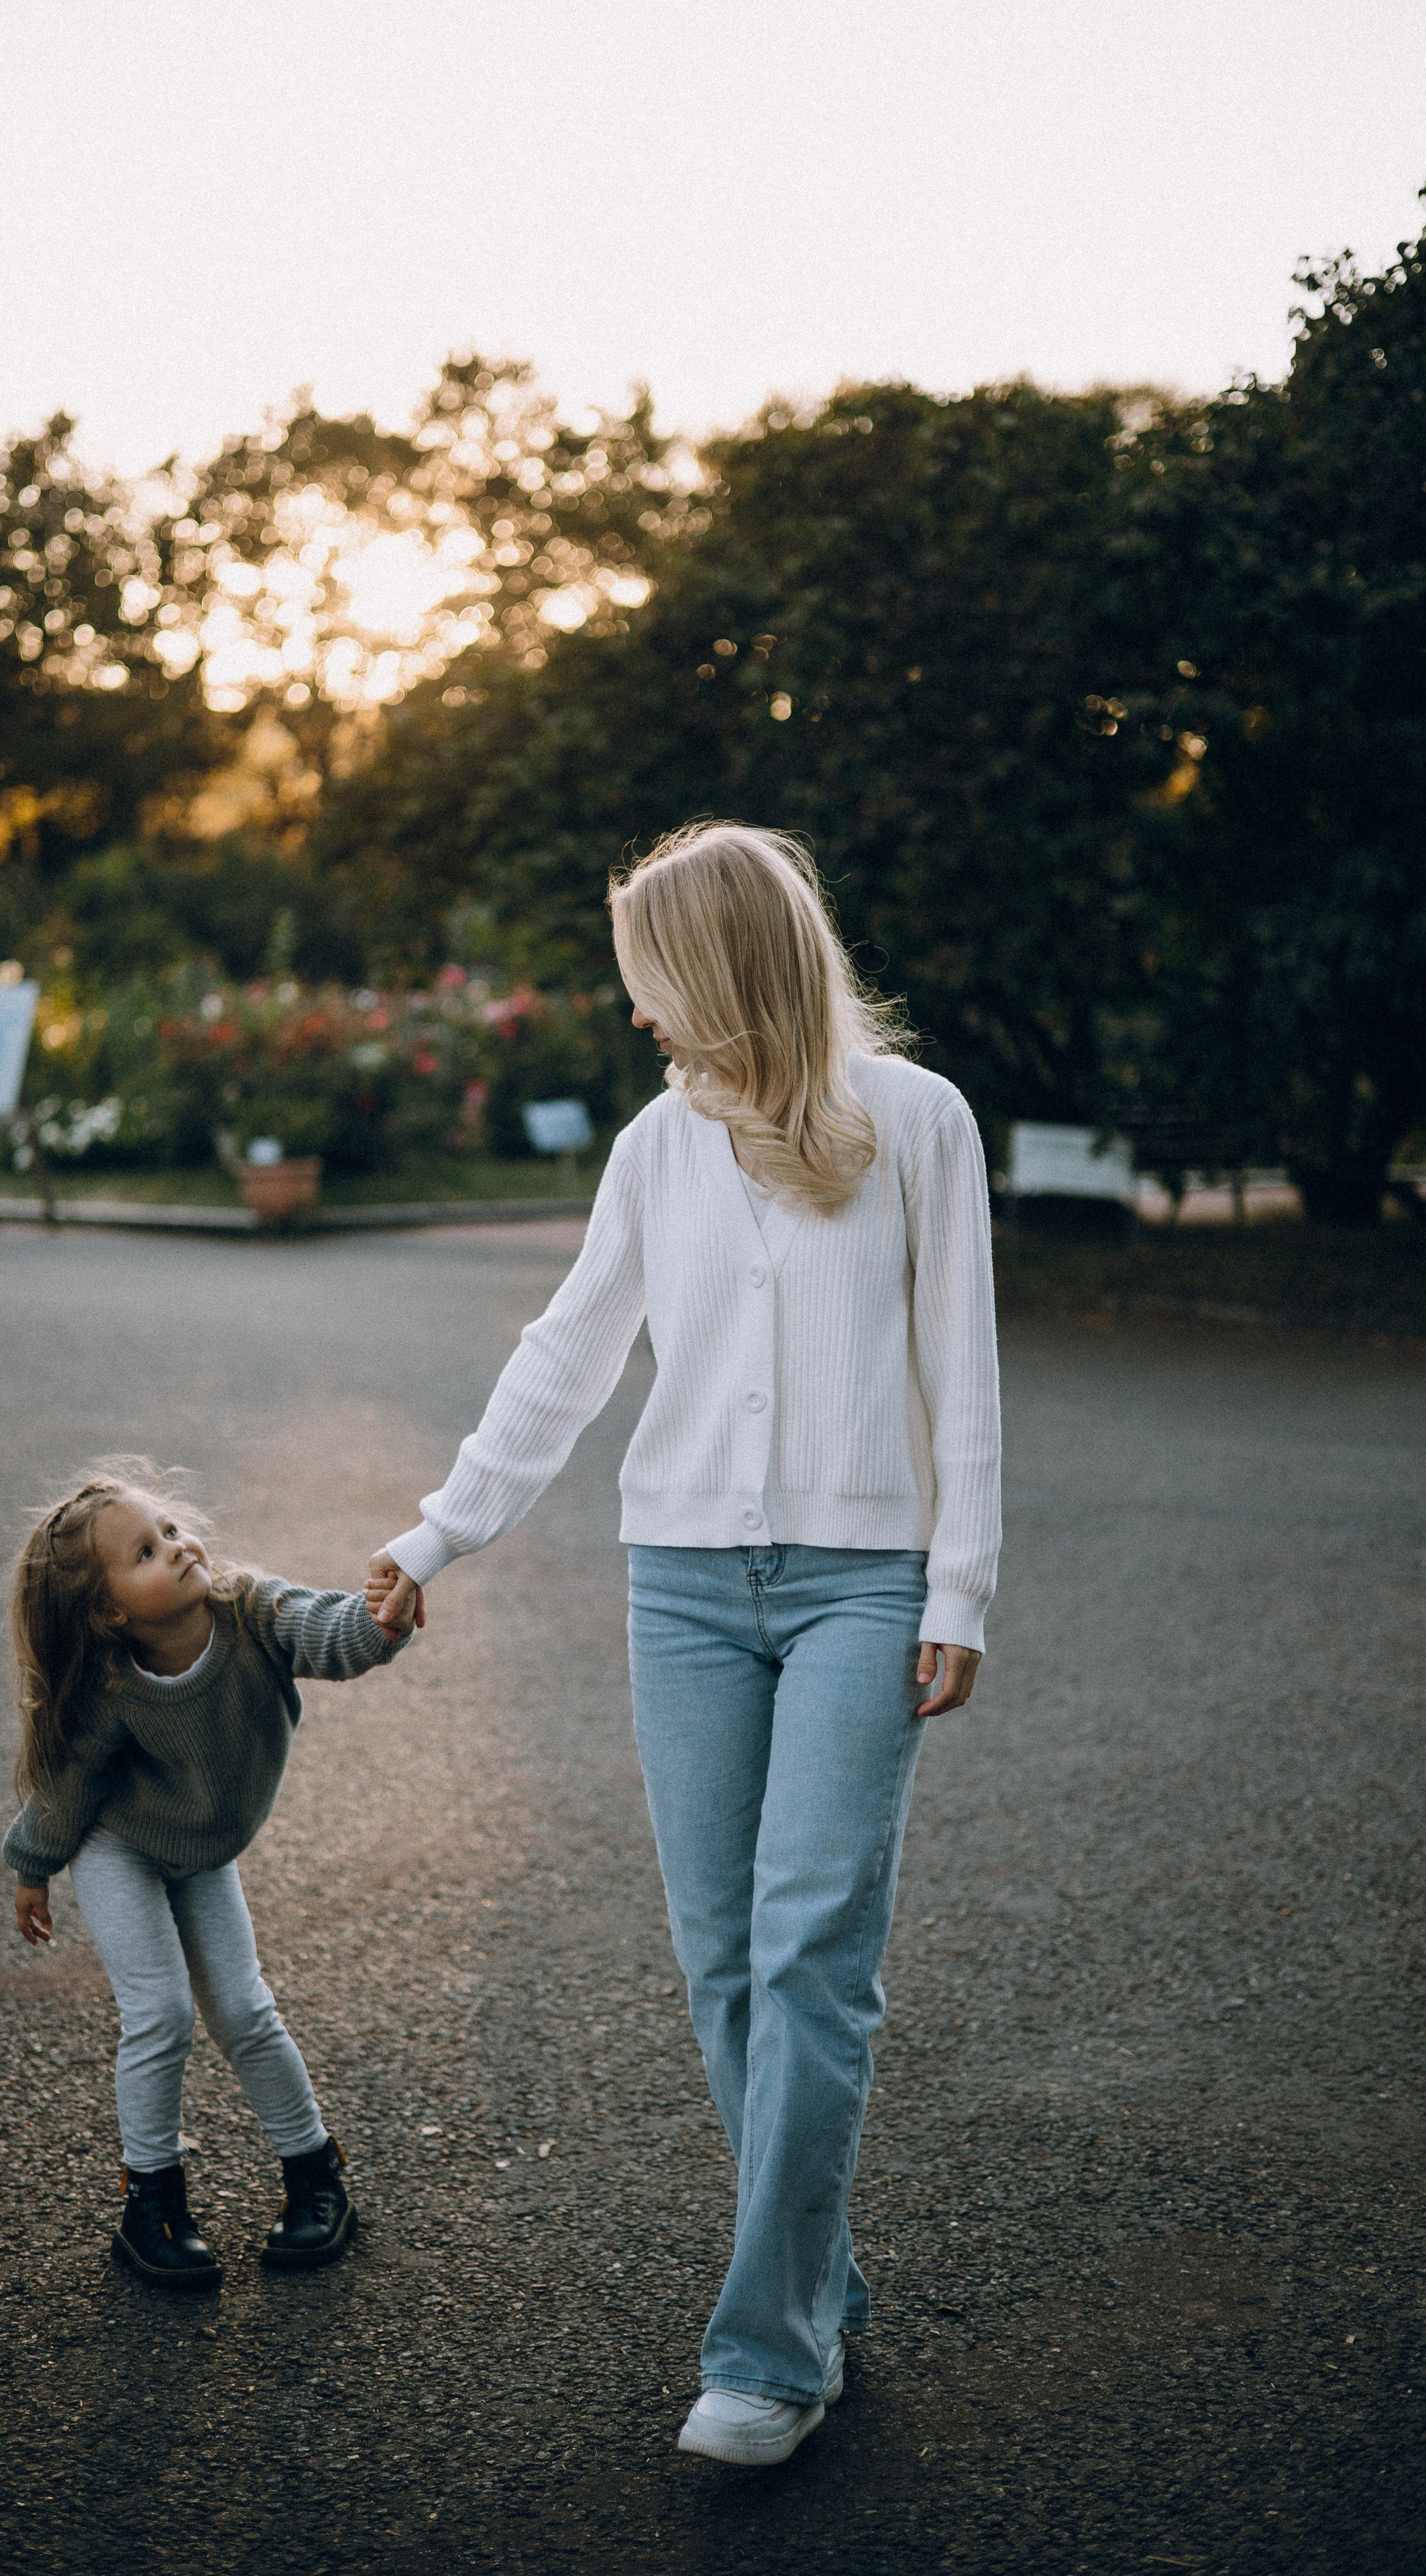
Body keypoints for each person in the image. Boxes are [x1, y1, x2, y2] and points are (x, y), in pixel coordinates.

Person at [366, 823, 999, 2466]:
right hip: (684, 1585)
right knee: (720, 1957)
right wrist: (438, 1529)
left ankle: (769, 2351)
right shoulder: (655, 1146)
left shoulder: (919, 1123)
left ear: (717, 968)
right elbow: (567, 1351)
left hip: (866, 1581)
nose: (638, 1015)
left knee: (808, 1951)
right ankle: (813, 2275)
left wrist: (960, 1588)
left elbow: (962, 1371)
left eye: (653, 981)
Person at [3, 1460, 419, 2290]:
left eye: (169, 1529)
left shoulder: (251, 1610)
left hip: (202, 1852)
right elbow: (70, 1783)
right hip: (121, 1849)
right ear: (112, 1611)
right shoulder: (111, 1683)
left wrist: (381, 1621)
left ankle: (315, 2177)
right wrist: (33, 1868)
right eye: (148, 1553)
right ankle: (150, 2204)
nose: (178, 1546)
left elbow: (328, 1633)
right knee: (160, 2014)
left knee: (243, 2009)